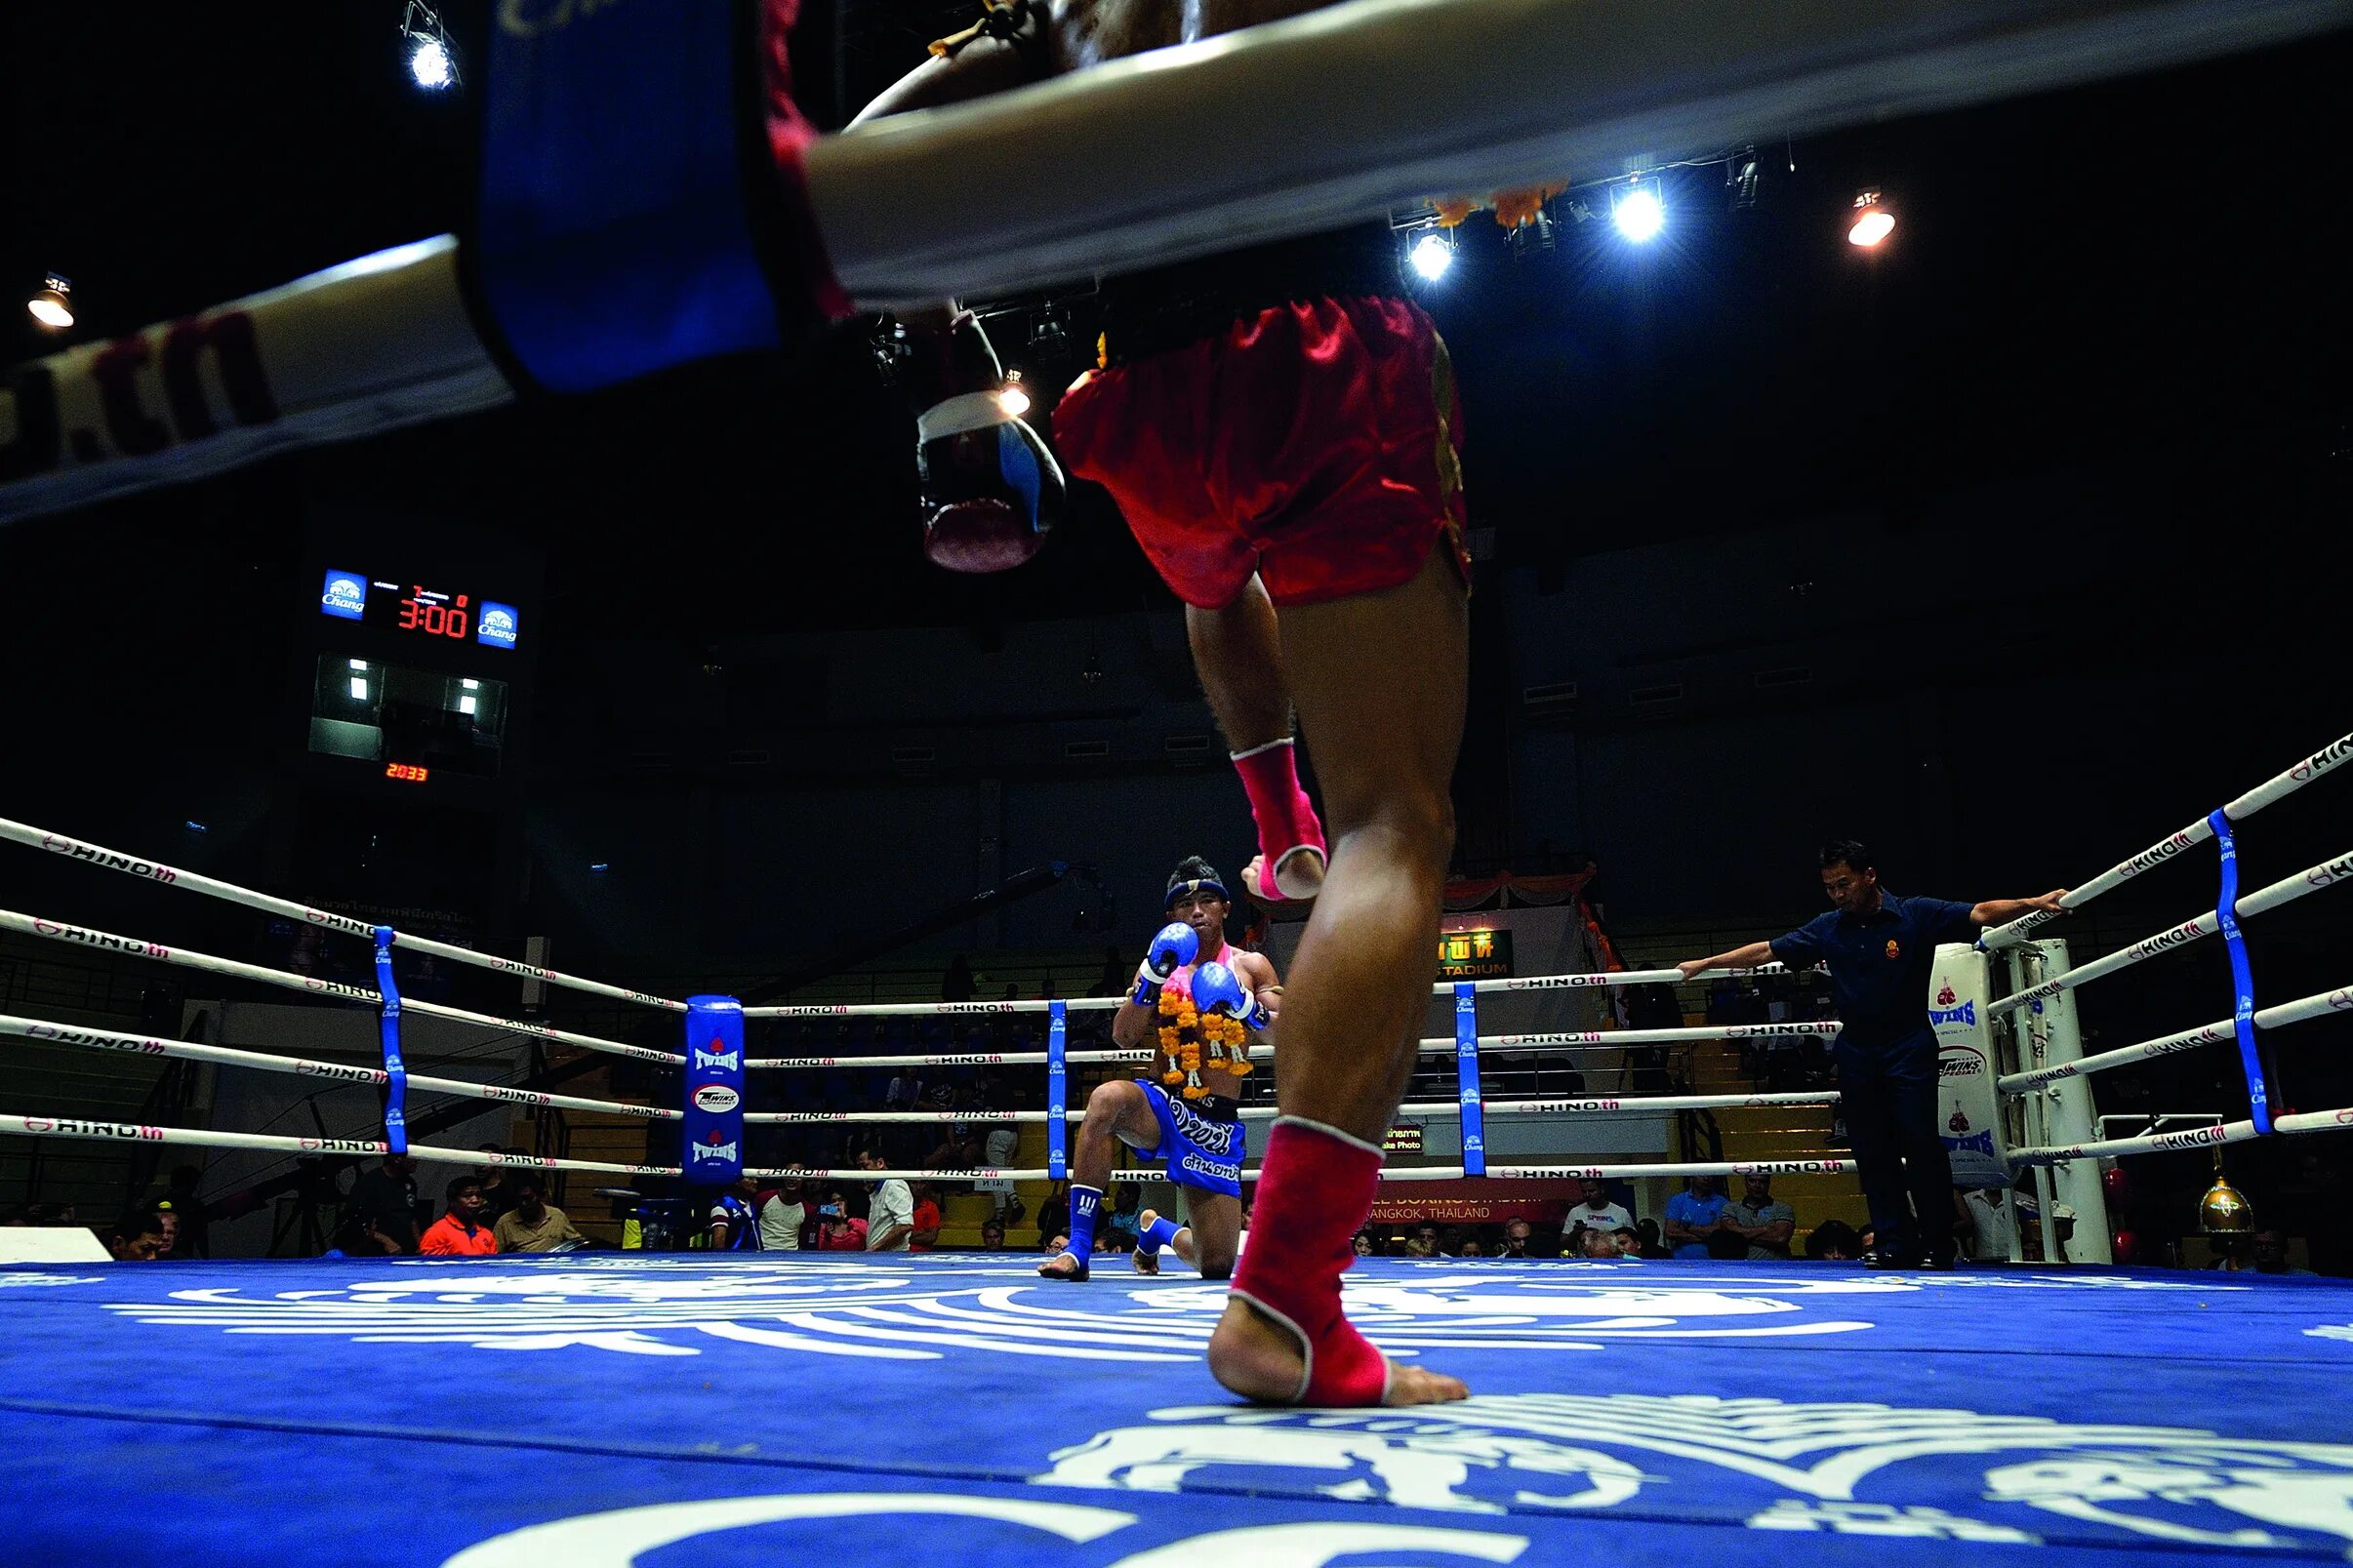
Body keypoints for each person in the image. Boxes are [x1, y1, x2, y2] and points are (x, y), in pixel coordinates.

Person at [859, 2, 1479, 1406]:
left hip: (1134, 392)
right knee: (1397, 822)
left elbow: (850, 166)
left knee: (1215, 575)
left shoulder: (1060, 6)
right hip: (1322, 341)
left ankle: (1274, 825)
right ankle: (1286, 1302)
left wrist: (951, 351)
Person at [1679, 840, 2064, 1269]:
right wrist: (1708, 962)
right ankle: (1893, 1244)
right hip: (1858, 1049)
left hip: (1909, 1044)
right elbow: (1768, 950)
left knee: (1921, 1145)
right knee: (1871, 1150)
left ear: (1869, 875)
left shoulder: (1914, 913)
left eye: (1844, 883)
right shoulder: (1828, 926)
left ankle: (1938, 1243)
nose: (1838, 894)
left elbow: (1979, 912)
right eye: (1829, 887)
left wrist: (2035, 902)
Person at [1039, 860, 1278, 1286]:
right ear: (1172, 916)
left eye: (1207, 900)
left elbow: (1286, 1035)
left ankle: (1156, 1229)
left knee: (1217, 1264)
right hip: (1161, 1101)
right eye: (1185, 904)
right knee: (1106, 1099)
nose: (1197, 911)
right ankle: (1077, 1247)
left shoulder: (1252, 965)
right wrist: (1151, 979)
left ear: (1225, 907)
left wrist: (1244, 1006)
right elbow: (1123, 1037)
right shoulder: (1161, 962)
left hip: (1214, 1121)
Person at [345, 1152, 424, 1254]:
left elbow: (412, 1218)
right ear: (397, 1158)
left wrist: (420, 1244)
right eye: (413, 1156)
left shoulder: (409, 1182)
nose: (417, 1160)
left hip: (406, 1251)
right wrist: (385, 1241)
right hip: (377, 1254)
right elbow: (355, 1224)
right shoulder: (368, 1183)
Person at [493, 1174, 587, 1254]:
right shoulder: (505, 1223)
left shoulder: (557, 1216)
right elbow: (494, 1255)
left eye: (528, 1198)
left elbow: (577, 1243)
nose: (523, 1203)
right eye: (520, 1199)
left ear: (541, 1196)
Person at [1722, 1175, 1797, 1260]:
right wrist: (1765, 1229)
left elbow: (1780, 1238)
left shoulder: (1782, 1208)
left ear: (1768, 1184)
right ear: (1745, 1183)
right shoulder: (1731, 1208)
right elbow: (1729, 1235)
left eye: (1762, 1182)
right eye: (1752, 1181)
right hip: (1744, 1269)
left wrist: (1741, 1236)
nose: (1757, 1185)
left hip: (1777, 1268)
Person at [418, 1178, 498, 1257]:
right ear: (452, 1201)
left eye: (479, 1195)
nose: (475, 1200)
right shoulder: (437, 1233)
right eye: (468, 1195)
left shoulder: (486, 1234)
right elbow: (430, 1268)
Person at [861, 1148, 916, 1252]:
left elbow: (905, 1225)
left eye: (865, 1166)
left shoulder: (894, 1184)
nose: (861, 1172)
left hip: (892, 1257)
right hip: (880, 1256)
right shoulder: (877, 1189)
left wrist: (874, 1248)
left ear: (880, 1163)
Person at [1664, 1177, 1730, 1260]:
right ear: (1691, 1177)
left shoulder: (1723, 1203)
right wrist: (1706, 1238)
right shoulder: (1677, 1200)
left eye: (1709, 1174)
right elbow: (1670, 1232)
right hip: (1681, 1263)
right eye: (1702, 1174)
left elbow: (1717, 1234)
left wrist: (1687, 1227)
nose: (1706, 1178)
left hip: (1712, 1263)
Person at [708, 1174, 762, 1253]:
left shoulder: (751, 1205)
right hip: (735, 1259)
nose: (755, 1182)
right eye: (750, 1178)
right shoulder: (723, 1205)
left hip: (756, 1259)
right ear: (736, 1181)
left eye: (755, 1178)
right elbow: (718, 1246)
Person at [758, 1169, 807, 1252]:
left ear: (803, 1179)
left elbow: (805, 1236)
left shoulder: (808, 1208)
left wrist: (834, 1210)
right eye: (789, 1175)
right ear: (783, 1176)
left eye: (797, 1176)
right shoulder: (764, 1197)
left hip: (792, 1254)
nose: (792, 1179)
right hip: (763, 1252)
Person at [909, 1183, 944, 1253]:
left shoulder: (931, 1207)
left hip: (923, 1254)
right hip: (899, 1252)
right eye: (914, 1183)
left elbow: (931, 1237)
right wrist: (920, 1233)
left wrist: (906, 1238)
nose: (918, 1187)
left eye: (922, 1183)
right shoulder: (899, 1205)